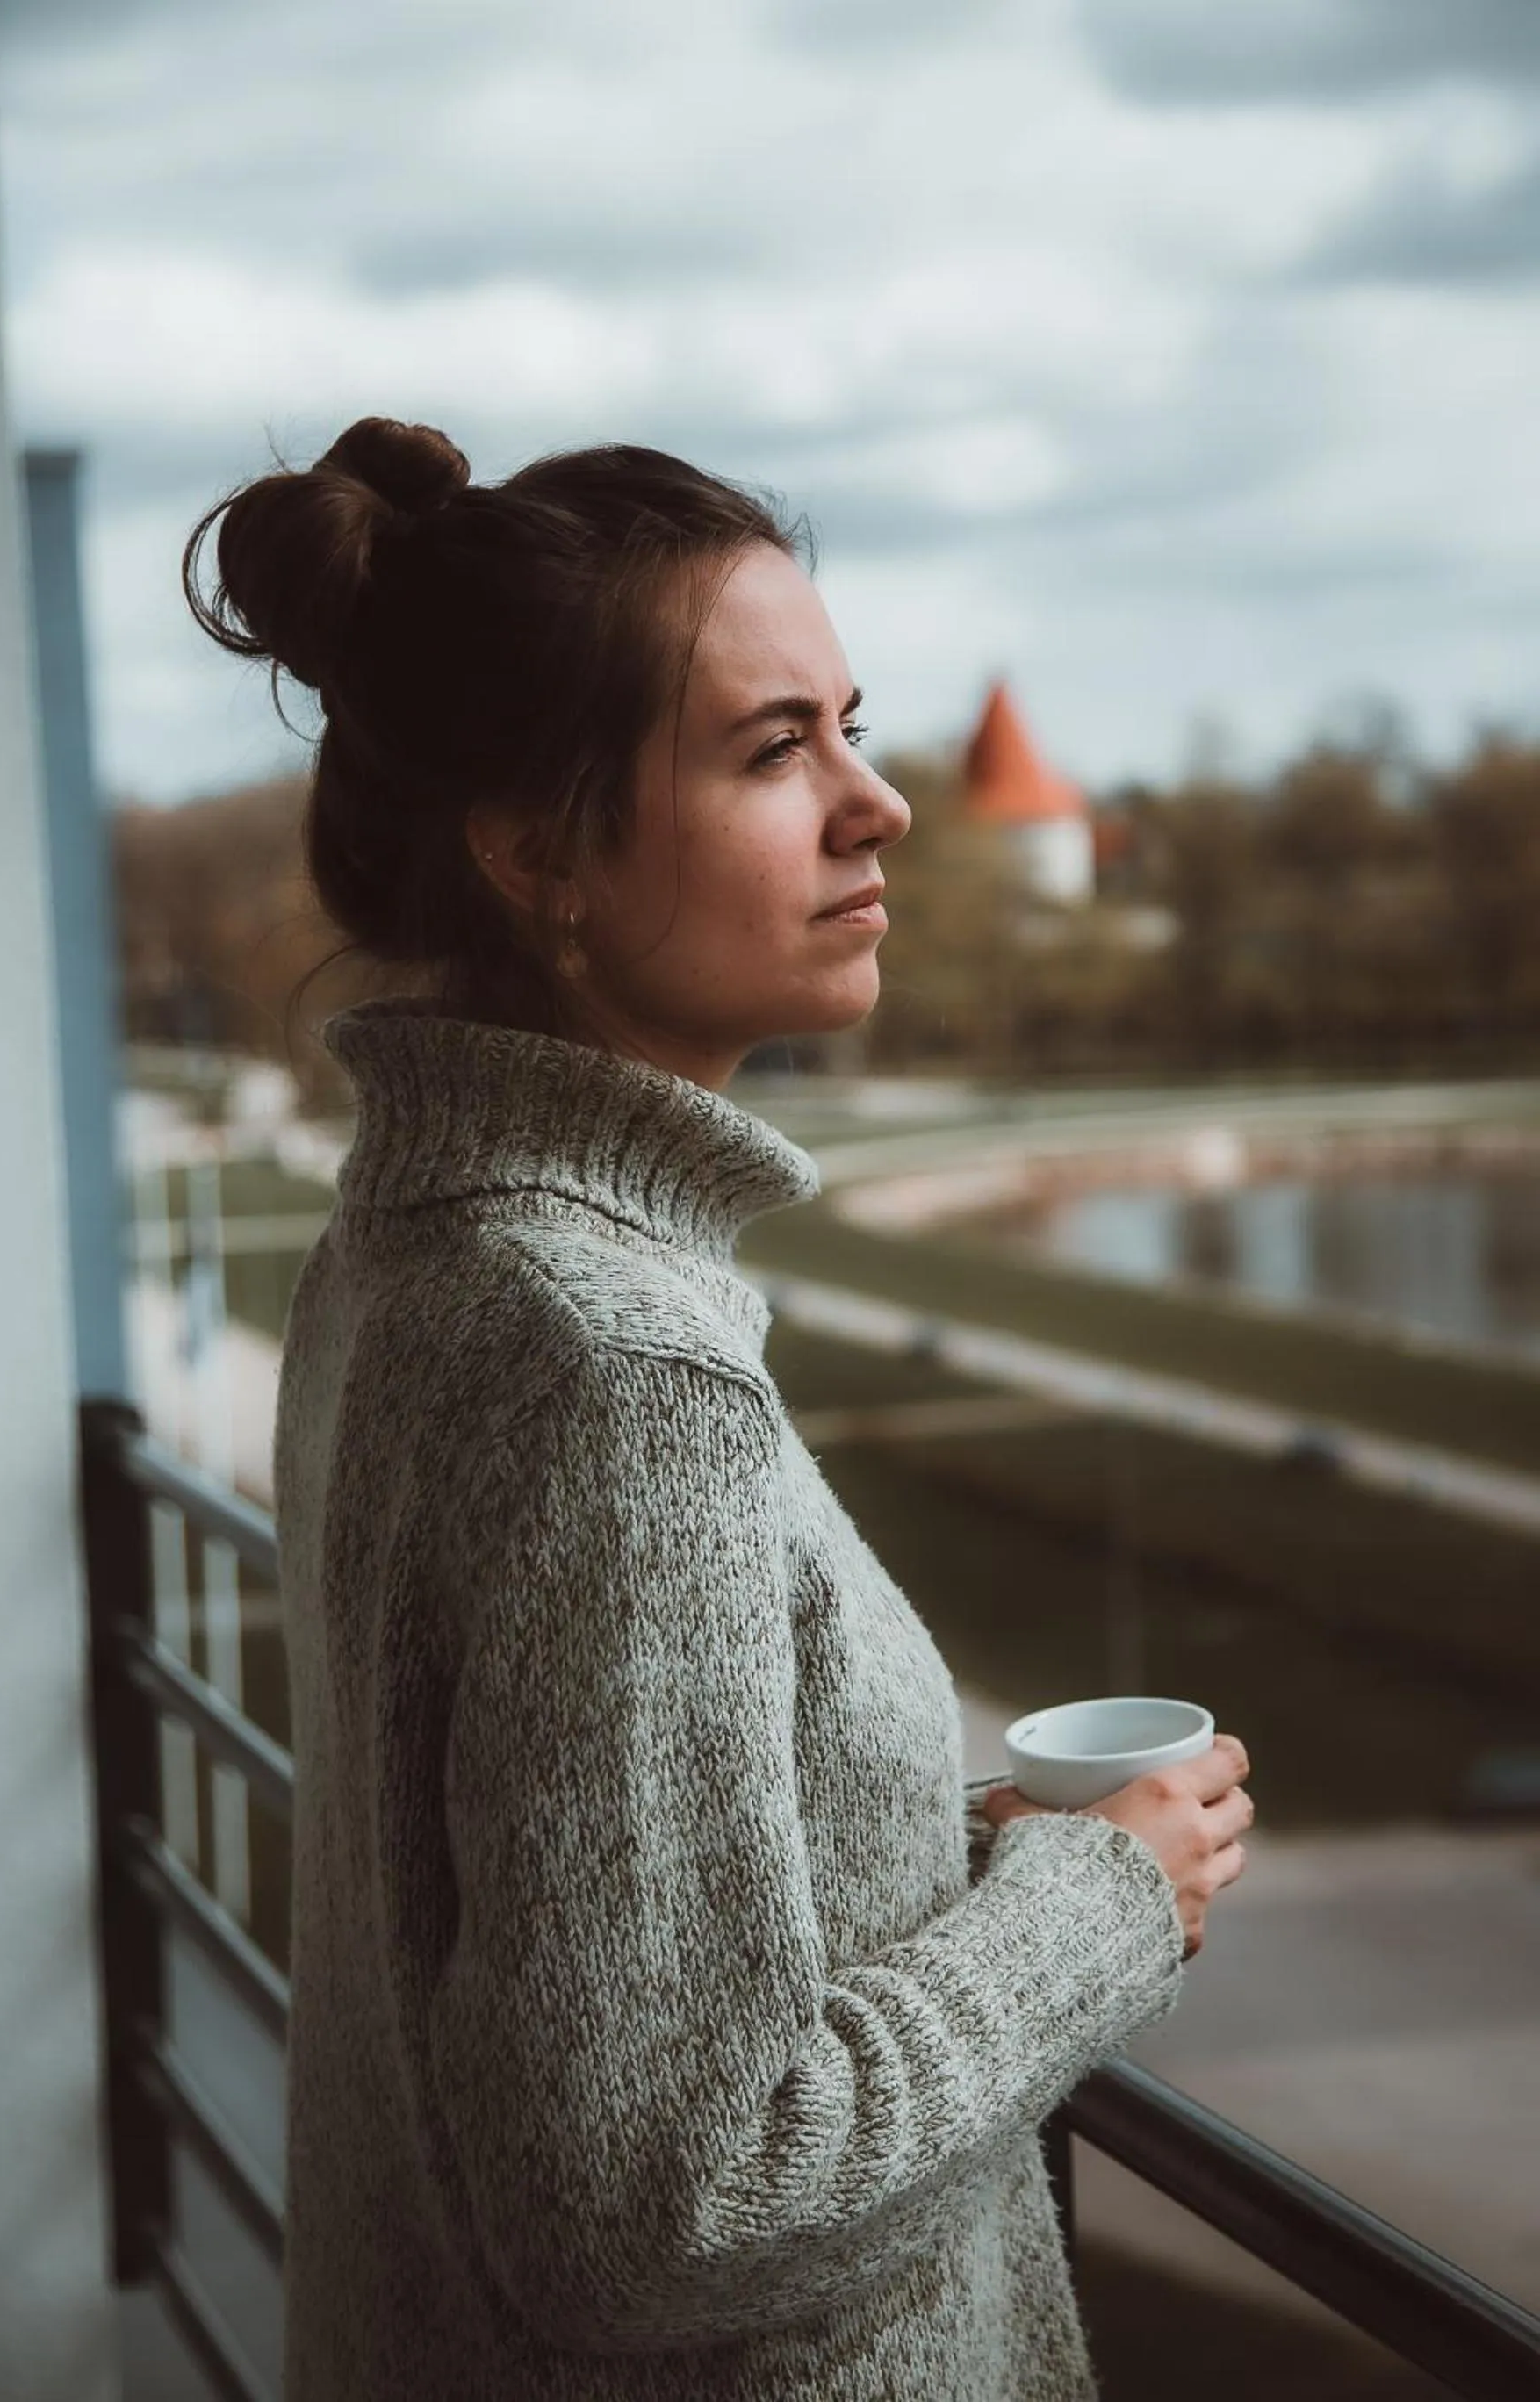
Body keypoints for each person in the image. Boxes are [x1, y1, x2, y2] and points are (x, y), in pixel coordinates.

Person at [184, 416, 1253, 2402]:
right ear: (537, 852)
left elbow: (525, 1923)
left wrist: (931, 1852)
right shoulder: (613, 1370)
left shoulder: (412, 1248)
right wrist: (1106, 1901)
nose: (881, 805)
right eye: (774, 752)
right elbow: (669, 2198)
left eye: (855, 728)